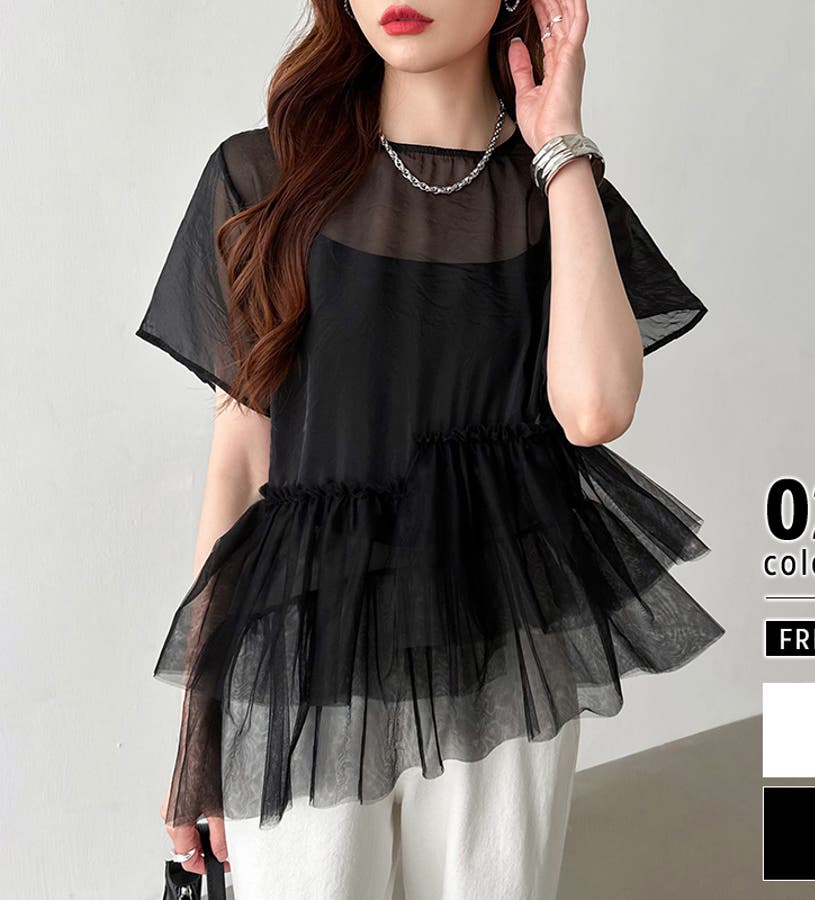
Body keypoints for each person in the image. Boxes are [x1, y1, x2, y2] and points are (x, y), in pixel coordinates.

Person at [135, 0, 725, 897]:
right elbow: (243, 455)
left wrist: (561, 145)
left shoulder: (552, 192)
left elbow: (597, 408)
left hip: (502, 644)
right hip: (306, 644)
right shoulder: (262, 176)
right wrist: (202, 722)